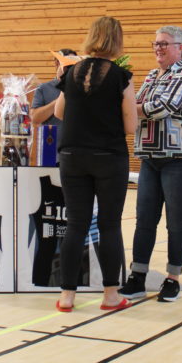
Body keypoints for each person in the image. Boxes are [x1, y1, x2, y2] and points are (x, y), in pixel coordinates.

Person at [53, 17, 136, 312]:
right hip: (108, 157)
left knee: (75, 224)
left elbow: (59, 112)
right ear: (117, 41)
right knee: (109, 225)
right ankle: (110, 295)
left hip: (72, 156)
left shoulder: (71, 72)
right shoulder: (122, 76)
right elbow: (130, 126)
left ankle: (67, 296)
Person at [120, 25, 182, 303]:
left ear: (180, 48)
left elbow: (160, 108)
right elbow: (137, 104)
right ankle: (137, 276)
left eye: (164, 43)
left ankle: (172, 279)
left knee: (176, 221)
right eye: (156, 43)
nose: (158, 48)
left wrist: (123, 108)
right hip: (151, 156)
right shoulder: (150, 76)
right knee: (144, 218)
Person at [30, 50, 77, 128]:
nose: (70, 69)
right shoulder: (44, 88)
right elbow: (34, 119)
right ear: (57, 63)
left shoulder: (82, 87)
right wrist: (60, 101)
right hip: (50, 135)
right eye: (67, 64)